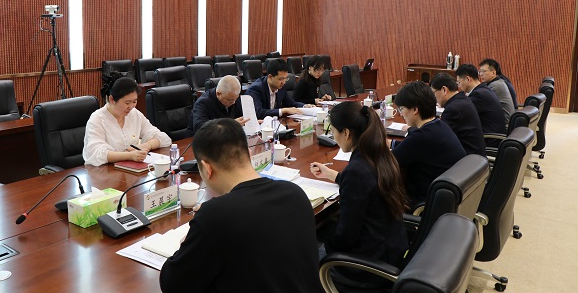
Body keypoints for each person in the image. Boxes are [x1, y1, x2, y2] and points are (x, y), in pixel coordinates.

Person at [159, 118, 323, 293]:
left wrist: (193, 237)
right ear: (249, 156)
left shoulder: (215, 216)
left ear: (207, 168)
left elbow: (172, 285)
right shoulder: (294, 192)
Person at [310, 101, 408, 290]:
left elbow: (346, 236)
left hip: (368, 267)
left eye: (333, 131)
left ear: (346, 133)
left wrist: (326, 243)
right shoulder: (380, 154)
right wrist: (333, 175)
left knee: (305, 250)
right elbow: (367, 183)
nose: (333, 136)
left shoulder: (356, 171)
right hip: (390, 249)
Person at [390, 81, 466, 206]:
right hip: (450, 198)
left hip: (425, 203)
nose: (400, 113)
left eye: (401, 109)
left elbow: (386, 162)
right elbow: (414, 148)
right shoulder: (439, 125)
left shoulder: (422, 137)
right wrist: (391, 143)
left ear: (415, 109)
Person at [83, 73, 171, 166]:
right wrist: (130, 155)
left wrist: (144, 146)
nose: (131, 106)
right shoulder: (97, 119)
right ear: (112, 99)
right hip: (104, 171)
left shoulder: (134, 114)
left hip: (131, 169)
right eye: (127, 103)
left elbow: (163, 138)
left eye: (134, 101)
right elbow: (96, 153)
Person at [430, 73, 485, 156]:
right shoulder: (463, 100)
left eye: (433, 93)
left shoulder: (453, 109)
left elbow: (439, 139)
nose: (434, 98)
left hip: (466, 159)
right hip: (475, 158)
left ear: (444, 90)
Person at [455, 64, 507, 145]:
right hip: (493, 135)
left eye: (459, 82)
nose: (459, 86)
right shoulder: (484, 89)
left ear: (468, 79)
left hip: (489, 140)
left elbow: (461, 115)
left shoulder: (478, 95)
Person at [245, 58, 313, 119]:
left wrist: (304, 106)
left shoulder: (280, 87)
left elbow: (291, 103)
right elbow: (258, 113)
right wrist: (283, 110)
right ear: (270, 77)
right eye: (281, 79)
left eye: (286, 78)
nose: (284, 82)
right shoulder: (256, 89)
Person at [479, 58, 515, 126]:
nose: (481, 74)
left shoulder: (494, 86)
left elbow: (482, 106)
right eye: (480, 71)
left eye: (483, 71)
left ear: (493, 73)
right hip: (507, 122)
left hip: (504, 125)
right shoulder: (499, 82)